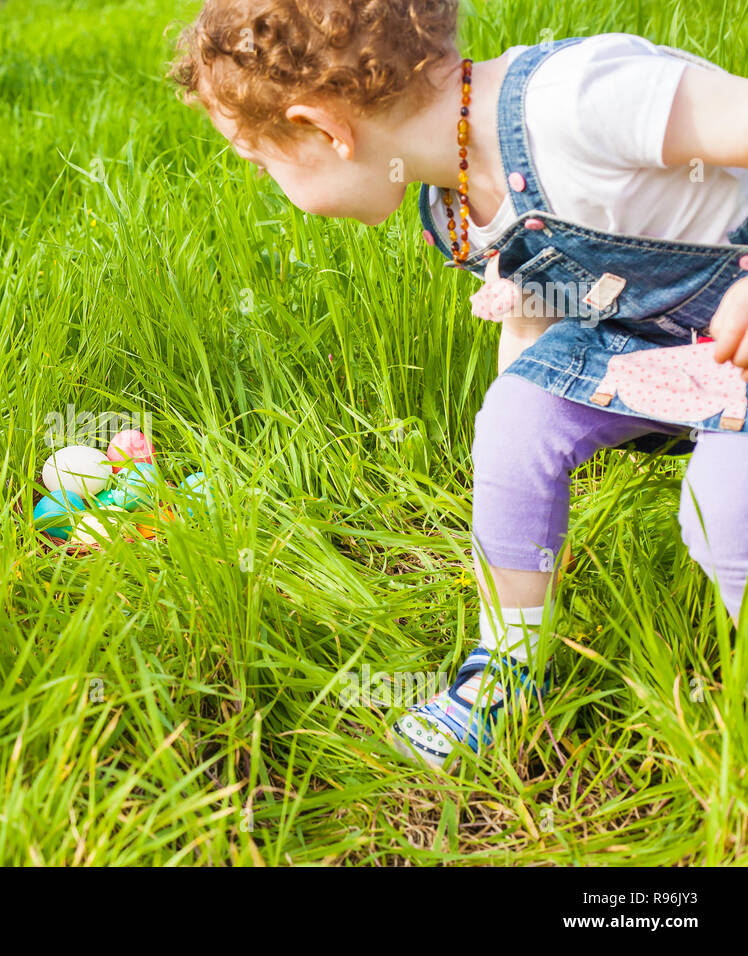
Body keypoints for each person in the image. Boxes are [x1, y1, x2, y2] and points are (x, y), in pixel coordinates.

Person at [168, 0, 748, 770]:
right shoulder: (454, 201)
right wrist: (524, 465)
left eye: (262, 162)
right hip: (674, 352)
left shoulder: (577, 101)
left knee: (723, 518)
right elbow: (546, 326)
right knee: (513, 418)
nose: (274, 184)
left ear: (323, 130)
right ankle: (508, 667)